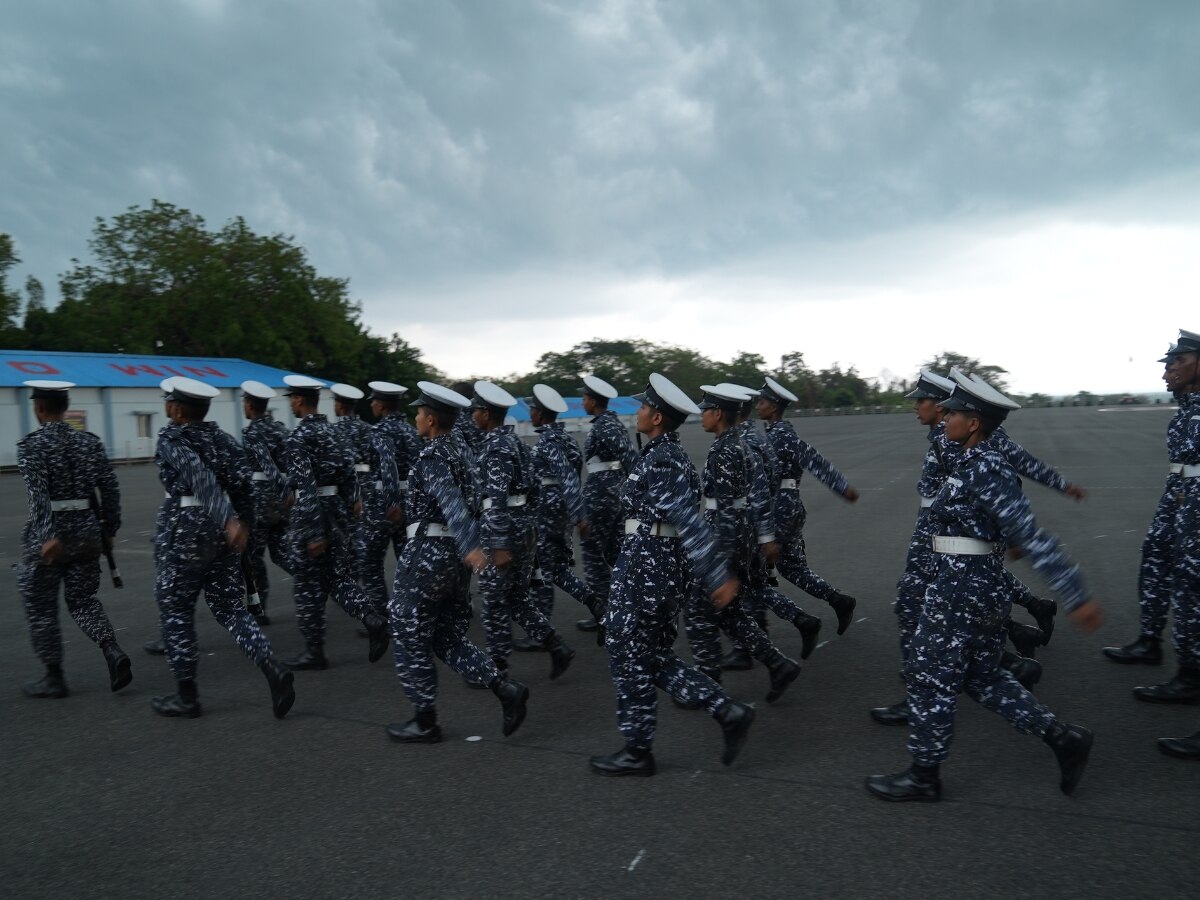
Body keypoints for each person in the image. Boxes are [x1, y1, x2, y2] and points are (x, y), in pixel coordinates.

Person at [866, 376, 1102, 802]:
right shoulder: (975, 460)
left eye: (952, 412)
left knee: (927, 673)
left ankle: (924, 776)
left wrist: (1074, 592)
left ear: (973, 422)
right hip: (971, 582)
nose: (945, 416)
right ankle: (1063, 737)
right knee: (981, 676)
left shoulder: (985, 465)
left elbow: (1028, 531)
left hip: (963, 587)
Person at [591, 373, 756, 777]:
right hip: (652, 566)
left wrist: (717, 574)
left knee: (628, 654)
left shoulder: (662, 460)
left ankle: (638, 749)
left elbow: (687, 520)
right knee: (649, 655)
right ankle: (725, 710)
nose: (639, 413)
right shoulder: (662, 454)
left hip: (647, 570)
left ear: (658, 417)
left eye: (644, 408)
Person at [387, 382, 530, 743]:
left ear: (431, 420)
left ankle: (424, 719)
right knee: (447, 637)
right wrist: (469, 548)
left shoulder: (434, 455)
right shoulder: (463, 450)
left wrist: (472, 546)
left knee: (407, 632)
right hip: (452, 560)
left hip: (428, 554)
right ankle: (504, 687)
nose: (415, 417)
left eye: (419, 413)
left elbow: (451, 503)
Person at [151, 377, 294, 719]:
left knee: (177, 611)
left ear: (177, 408)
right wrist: (241, 523)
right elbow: (243, 486)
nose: (167, 406)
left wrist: (230, 519)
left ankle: (187, 696)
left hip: (185, 531)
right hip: (223, 535)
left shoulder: (173, 439)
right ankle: (271, 667)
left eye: (169, 402)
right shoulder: (225, 440)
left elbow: (200, 477)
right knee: (231, 609)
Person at [684, 384, 801, 704]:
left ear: (718, 413)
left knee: (696, 610)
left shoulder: (725, 450)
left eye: (705, 409)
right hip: (741, 538)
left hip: (723, 540)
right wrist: (764, 537)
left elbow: (723, 511)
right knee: (729, 613)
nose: (702, 415)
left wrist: (719, 565)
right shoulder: (742, 445)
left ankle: (707, 686)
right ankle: (778, 664)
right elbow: (760, 494)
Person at [16, 380, 131, 699]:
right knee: (82, 600)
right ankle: (112, 650)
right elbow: (110, 488)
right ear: (65, 408)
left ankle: (54, 677)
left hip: (49, 540)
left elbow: (37, 496)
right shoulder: (89, 442)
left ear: (39, 408)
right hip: (87, 534)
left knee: (40, 607)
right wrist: (110, 528)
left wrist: (48, 536)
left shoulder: (31, 446)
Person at [280, 375, 390, 670]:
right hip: (336, 511)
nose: (290, 403)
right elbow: (349, 473)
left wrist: (314, 532)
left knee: (306, 583)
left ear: (300, 401)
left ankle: (314, 651)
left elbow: (305, 484)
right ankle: (372, 618)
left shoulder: (299, 438)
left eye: (291, 398)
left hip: (312, 512)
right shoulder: (334, 433)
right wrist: (351, 504)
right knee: (335, 577)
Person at [471, 380, 574, 679]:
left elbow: (497, 498)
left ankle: (497, 669)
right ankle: (556, 645)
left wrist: (501, 542)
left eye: (476, 410)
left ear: (486, 414)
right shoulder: (516, 441)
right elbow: (536, 489)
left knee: (492, 599)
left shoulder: (496, 448)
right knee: (516, 597)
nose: (473, 416)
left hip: (503, 530)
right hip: (524, 525)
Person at [754, 376, 861, 636]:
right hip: (787, 507)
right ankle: (839, 600)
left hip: (778, 508)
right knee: (791, 568)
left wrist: (841, 485)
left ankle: (756, 638)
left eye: (763, 401)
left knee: (750, 571)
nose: (758, 406)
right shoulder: (773, 434)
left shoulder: (782, 435)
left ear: (775, 407)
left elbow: (814, 459)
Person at [1126, 330, 1200, 703]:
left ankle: (1191, 675)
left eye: (1177, 363)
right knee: (1154, 557)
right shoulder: (1188, 407)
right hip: (1179, 492)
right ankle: (1149, 640)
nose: (1167, 372)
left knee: (1191, 581)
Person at [524, 384, 605, 630]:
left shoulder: (549, 442)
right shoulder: (567, 439)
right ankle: (594, 601)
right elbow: (575, 472)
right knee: (555, 567)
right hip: (560, 509)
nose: (530, 412)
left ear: (539, 412)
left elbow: (568, 476)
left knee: (540, 569)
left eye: (532, 408)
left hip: (548, 510)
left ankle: (540, 631)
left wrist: (579, 515)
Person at [577, 374, 639, 633]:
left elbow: (629, 457)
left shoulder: (604, 425)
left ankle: (605, 615)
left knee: (593, 555)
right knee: (615, 554)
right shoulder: (610, 423)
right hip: (613, 494)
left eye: (584, 397)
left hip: (601, 496)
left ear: (592, 401)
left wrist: (637, 490)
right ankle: (626, 608)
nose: (583, 401)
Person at [364, 381, 422, 616]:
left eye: (374, 401)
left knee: (369, 559)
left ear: (381, 404)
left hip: (385, 502)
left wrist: (391, 501)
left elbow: (388, 465)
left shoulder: (381, 430)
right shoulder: (410, 429)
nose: (372, 405)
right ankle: (412, 609)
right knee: (406, 559)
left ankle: (380, 615)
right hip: (411, 498)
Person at [240, 380, 292, 626]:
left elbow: (255, 468)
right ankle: (318, 583)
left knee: (252, 556)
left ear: (249, 405)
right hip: (282, 501)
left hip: (259, 502)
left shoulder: (252, 432)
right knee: (283, 554)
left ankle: (257, 608)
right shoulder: (281, 429)